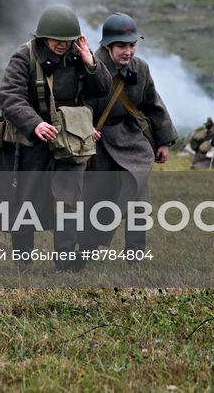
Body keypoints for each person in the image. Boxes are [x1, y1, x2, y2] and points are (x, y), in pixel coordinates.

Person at [0, 4, 108, 269]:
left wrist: (91, 63)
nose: (62, 45)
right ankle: (23, 261)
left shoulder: (80, 57)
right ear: (44, 37)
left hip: (70, 139)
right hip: (32, 141)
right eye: (57, 40)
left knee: (68, 199)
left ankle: (65, 261)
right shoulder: (24, 56)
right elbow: (9, 96)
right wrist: (34, 124)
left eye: (67, 41)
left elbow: (101, 89)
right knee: (26, 199)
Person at [84, 13, 176, 252]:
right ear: (108, 45)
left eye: (132, 45)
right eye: (121, 46)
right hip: (99, 142)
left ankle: (135, 252)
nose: (128, 51)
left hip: (132, 138)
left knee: (138, 197)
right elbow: (80, 104)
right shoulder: (91, 67)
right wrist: (86, 127)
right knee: (100, 199)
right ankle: (90, 248)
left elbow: (153, 104)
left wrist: (163, 142)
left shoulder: (140, 69)